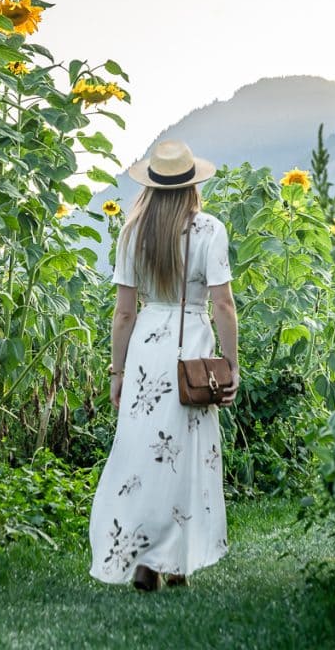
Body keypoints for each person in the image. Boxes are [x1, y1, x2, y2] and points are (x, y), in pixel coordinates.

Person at [88, 138, 240, 592]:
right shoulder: (209, 230)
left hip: (145, 354)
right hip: (190, 345)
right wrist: (229, 367)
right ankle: (176, 563)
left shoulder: (132, 231)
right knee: (184, 457)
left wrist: (117, 373)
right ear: (192, 185)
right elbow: (224, 307)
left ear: (152, 186)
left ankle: (145, 558)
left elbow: (124, 313)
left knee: (141, 454)